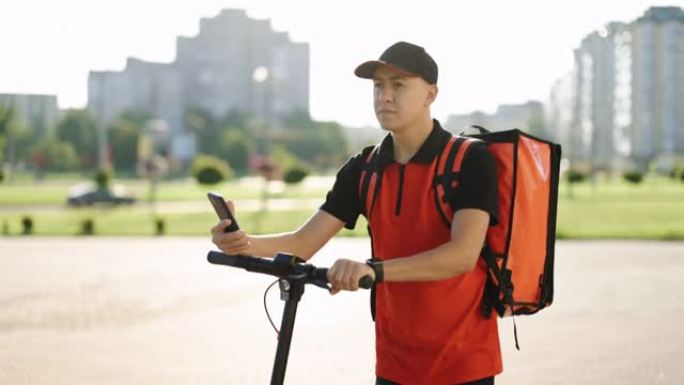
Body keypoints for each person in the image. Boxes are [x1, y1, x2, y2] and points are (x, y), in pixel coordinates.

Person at [211, 41, 502, 385]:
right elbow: (303, 242)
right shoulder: (364, 168)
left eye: (399, 85)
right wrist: (242, 243)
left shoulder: (470, 160)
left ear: (430, 94)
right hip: (395, 361)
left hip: (462, 361)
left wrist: (372, 270)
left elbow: (461, 256)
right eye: (378, 86)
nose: (385, 96)